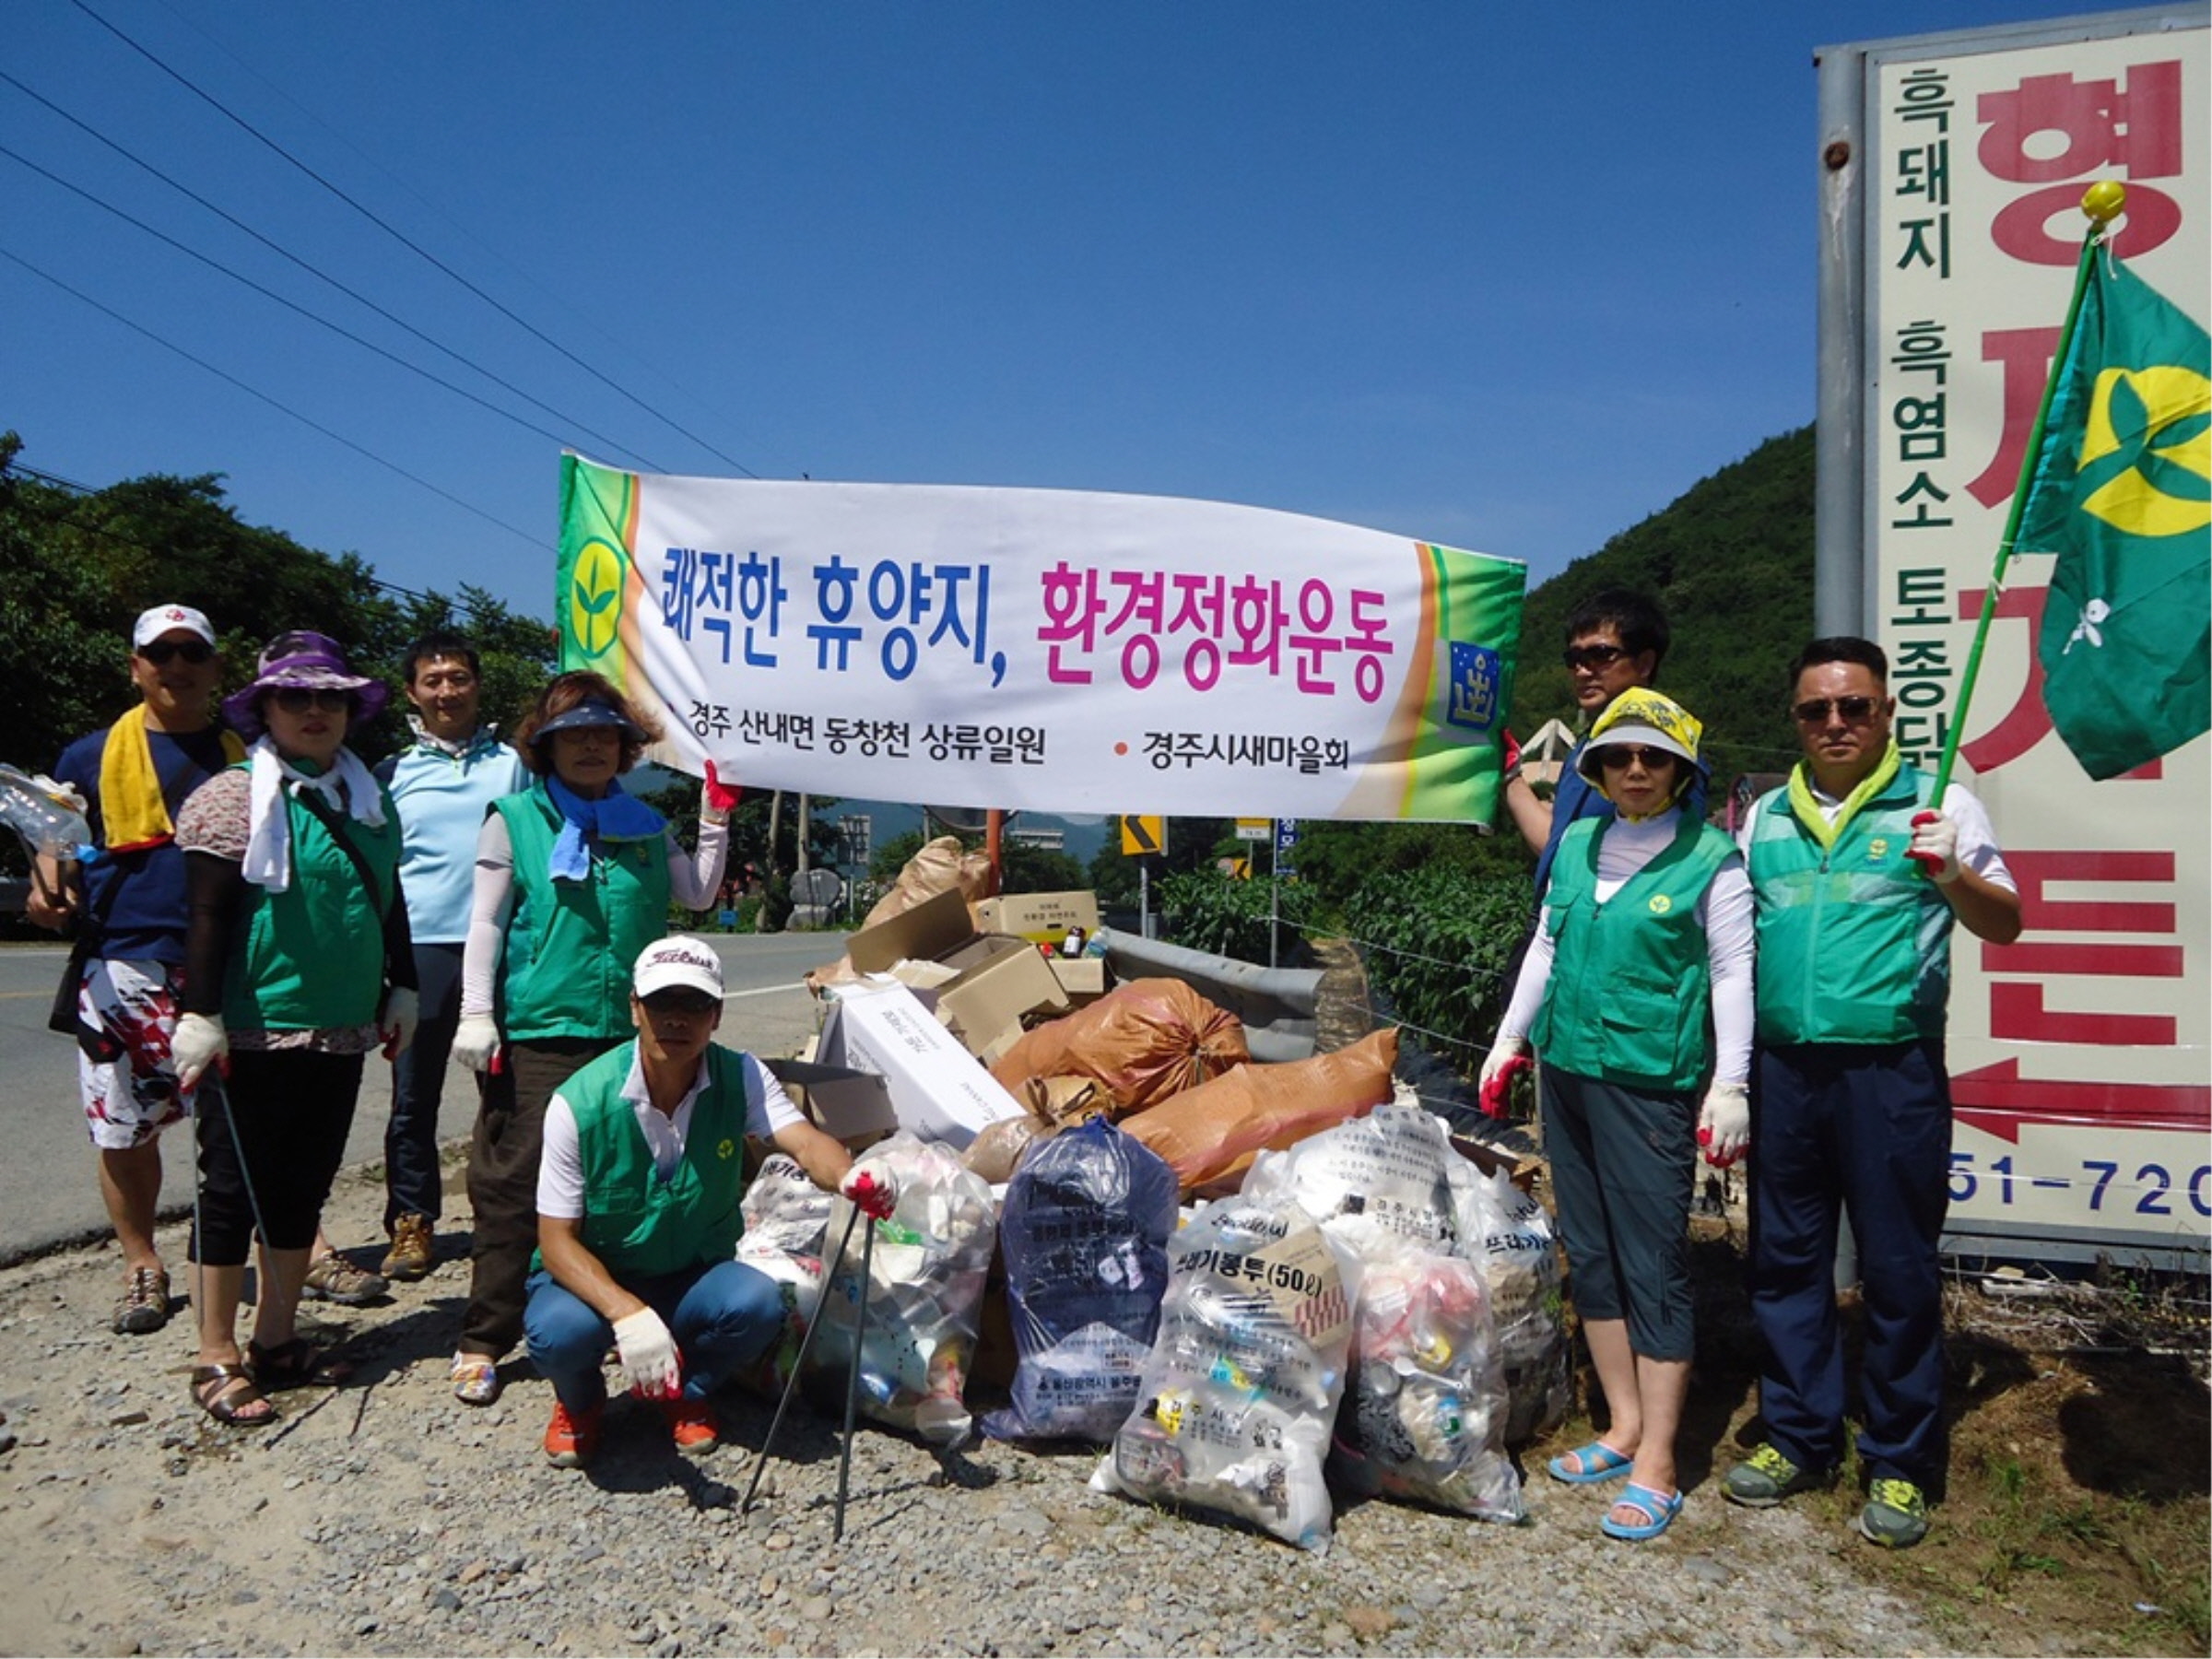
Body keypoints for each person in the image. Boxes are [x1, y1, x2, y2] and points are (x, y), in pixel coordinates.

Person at [1723, 637, 2020, 1549]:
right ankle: (1799, 1434)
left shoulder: (1939, 805)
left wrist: (1951, 871)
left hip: (1891, 1072)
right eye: (1817, 709)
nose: (1837, 723)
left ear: (1888, 710)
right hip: (1786, 1072)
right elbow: (1739, 946)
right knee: (1786, 1262)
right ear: (1797, 720)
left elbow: (2005, 923)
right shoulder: (1764, 815)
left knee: (1896, 1272)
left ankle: (1898, 1461)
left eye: (1855, 706)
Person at [1483, 688, 1752, 1542]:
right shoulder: (1577, 845)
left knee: (1655, 1263)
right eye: (1620, 756)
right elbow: (1548, 945)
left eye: (1655, 758)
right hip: (1567, 1069)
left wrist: (1730, 1084)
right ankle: (1623, 1424)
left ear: (1681, 770)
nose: (1636, 770)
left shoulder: (1714, 859)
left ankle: (1660, 1462)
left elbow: (1731, 975)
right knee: (1591, 1251)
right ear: (1597, 767)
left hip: (1648, 1081)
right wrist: (1508, 1039)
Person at [446, 671, 736, 1407]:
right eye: (573, 734)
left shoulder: (644, 823)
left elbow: (698, 894)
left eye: (605, 733)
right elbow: (485, 922)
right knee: (514, 1185)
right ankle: (484, 1338)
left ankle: (619, 1318)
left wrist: (714, 818)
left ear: (626, 746)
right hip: (546, 1029)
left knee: (627, 1185)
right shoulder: (513, 817)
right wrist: (476, 1013)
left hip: (631, 1030)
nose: (590, 746)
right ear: (544, 745)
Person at [169, 632, 418, 1426]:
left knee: (301, 1188)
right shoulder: (232, 796)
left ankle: (277, 1338)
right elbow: (205, 916)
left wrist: (402, 983)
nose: (316, 712)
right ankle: (215, 1351)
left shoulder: (366, 800)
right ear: (266, 709)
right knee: (231, 1189)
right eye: (296, 698)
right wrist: (199, 1013)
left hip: (341, 1028)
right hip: (251, 1030)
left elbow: (390, 901)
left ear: (350, 710)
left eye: (331, 698)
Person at [526, 935, 887, 1466]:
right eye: (661, 1003)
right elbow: (555, 1242)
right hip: (596, 1279)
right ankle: (580, 1405)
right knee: (560, 1333)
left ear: (716, 1015)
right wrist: (626, 1313)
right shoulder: (577, 1105)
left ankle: (683, 1390)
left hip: (688, 1272)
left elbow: (806, 1142)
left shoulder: (738, 1075)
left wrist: (852, 1176)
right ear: (634, 1009)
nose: (677, 1019)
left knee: (758, 1304)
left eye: (694, 1005)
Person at [29, 605, 241, 1335]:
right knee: (126, 1127)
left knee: (245, 1120)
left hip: (236, 961)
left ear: (215, 667)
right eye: (161, 653)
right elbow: (56, 838)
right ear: (135, 666)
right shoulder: (87, 755)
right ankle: (141, 1262)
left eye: (192, 653)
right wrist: (43, 886)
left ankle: (295, 1246)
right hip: (123, 960)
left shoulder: (247, 754)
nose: (176, 666)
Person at [365, 631, 530, 1281]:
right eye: (433, 680)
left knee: (508, 1092)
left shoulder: (513, 765)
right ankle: (412, 1223)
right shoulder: (390, 773)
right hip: (421, 951)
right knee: (414, 1097)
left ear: (476, 686)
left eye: (458, 678)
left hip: (504, 948)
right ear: (412, 692)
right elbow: (378, 868)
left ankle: (509, 1215)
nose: (446, 691)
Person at [1500, 589, 1707, 892]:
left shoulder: (1666, 752)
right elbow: (1558, 850)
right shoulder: (1586, 747)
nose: (1582, 670)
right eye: (1574, 658)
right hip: (1560, 926)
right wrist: (1510, 777)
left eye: (1600, 655)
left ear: (1645, 663)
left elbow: (1677, 870)